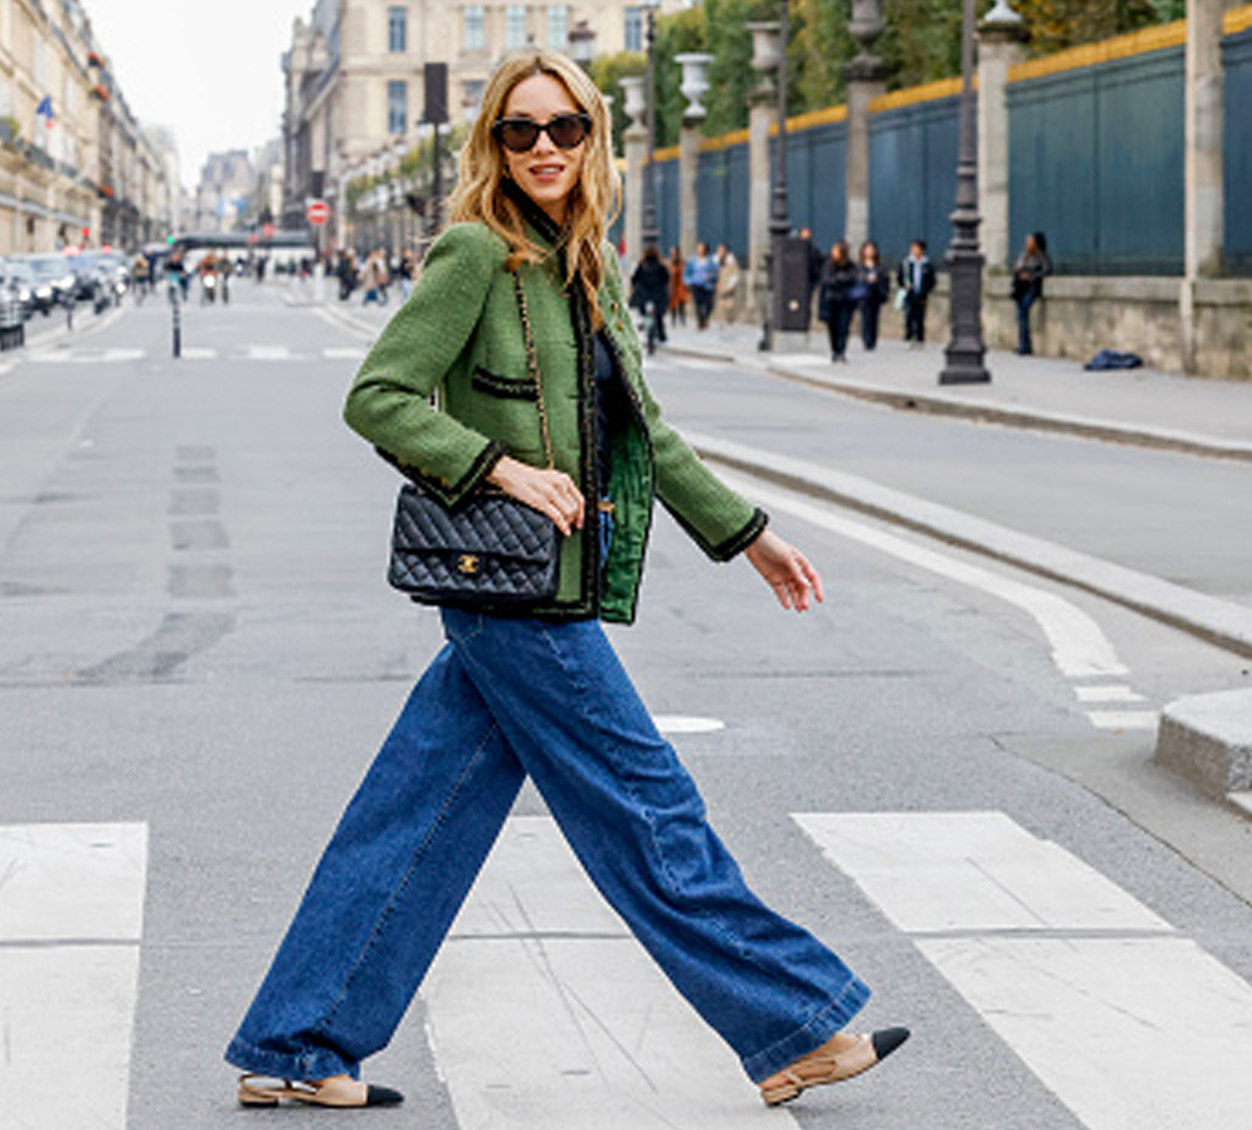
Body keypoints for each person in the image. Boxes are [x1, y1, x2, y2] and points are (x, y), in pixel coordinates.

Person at [224, 46, 906, 1112]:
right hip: (512, 591)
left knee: (416, 813)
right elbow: (379, 397)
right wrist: (497, 465)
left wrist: (748, 534)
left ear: (594, 137)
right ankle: (790, 1024)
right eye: (519, 130)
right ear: (491, 145)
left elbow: (649, 436)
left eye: (564, 129)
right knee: (648, 805)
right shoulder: (473, 256)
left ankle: (300, 1041)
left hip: (541, 588)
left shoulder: (583, 264)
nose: (543, 148)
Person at [1012, 231, 1052, 356]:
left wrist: (1031, 276)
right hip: (1021, 289)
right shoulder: (1024, 256)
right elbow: (1016, 269)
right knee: (1020, 315)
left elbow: (1047, 270)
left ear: (1036, 244)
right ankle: (1024, 344)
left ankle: (1025, 346)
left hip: (1032, 289)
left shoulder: (1041, 257)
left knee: (1022, 312)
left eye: (1030, 242)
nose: (1027, 245)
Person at [819, 240, 857, 363]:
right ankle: (835, 350)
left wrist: (839, 279)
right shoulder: (829, 265)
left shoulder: (851, 266)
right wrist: (840, 279)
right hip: (832, 300)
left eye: (836, 251)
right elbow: (826, 280)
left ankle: (841, 351)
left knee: (844, 326)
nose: (833, 253)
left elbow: (854, 278)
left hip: (846, 301)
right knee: (833, 327)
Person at [895, 239, 936, 349]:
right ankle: (909, 336)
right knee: (909, 316)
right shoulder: (906, 263)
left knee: (920, 317)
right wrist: (905, 285)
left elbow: (931, 281)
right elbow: (899, 278)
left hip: (922, 295)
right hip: (909, 294)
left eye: (917, 248)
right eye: (913, 248)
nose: (915, 251)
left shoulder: (927, 264)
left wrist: (925, 290)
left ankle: (919, 338)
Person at [630, 245, 670, 351]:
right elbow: (666, 279)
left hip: (644, 295)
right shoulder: (661, 266)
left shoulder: (642, 265)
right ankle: (661, 335)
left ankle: (642, 323)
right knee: (659, 316)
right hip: (658, 296)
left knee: (642, 311)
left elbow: (634, 279)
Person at [853, 241, 889, 352]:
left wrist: (878, 282)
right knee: (865, 317)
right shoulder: (859, 266)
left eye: (871, 249)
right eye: (867, 249)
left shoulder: (880, 266)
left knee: (874, 318)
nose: (869, 252)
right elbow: (856, 278)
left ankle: (873, 340)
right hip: (864, 294)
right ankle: (866, 340)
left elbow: (885, 279)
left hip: (875, 294)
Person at [684, 241, 719, 329]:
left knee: (709, 304)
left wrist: (710, 276)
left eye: (702, 248)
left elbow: (716, 273)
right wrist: (688, 281)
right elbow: (687, 272)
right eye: (698, 248)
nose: (700, 250)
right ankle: (700, 321)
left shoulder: (711, 261)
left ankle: (706, 318)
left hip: (708, 285)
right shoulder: (692, 261)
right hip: (696, 284)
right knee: (698, 303)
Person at [714, 245, 743, 325]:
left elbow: (735, 274)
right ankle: (721, 322)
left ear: (726, 251)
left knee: (729, 305)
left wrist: (731, 285)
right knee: (720, 306)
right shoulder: (715, 261)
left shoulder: (732, 261)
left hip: (728, 287)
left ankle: (730, 321)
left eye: (721, 250)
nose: (720, 252)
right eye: (718, 250)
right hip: (719, 286)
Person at [667, 245, 689, 326]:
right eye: (672, 253)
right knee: (673, 304)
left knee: (681, 304)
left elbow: (685, 273)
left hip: (681, 286)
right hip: (673, 286)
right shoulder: (670, 263)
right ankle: (673, 320)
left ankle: (682, 319)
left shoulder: (682, 263)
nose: (674, 255)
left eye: (675, 253)